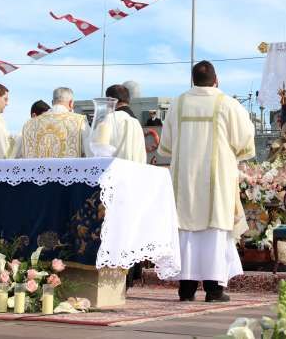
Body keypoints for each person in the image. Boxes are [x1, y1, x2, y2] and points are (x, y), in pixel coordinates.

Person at [158, 60, 256, 302]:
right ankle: (214, 290)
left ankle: (186, 288)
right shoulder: (228, 104)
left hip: (184, 179)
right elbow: (244, 143)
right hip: (217, 179)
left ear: (193, 81)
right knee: (214, 231)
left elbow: (167, 146)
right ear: (216, 80)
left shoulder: (178, 104)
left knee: (186, 232)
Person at [21, 87, 91, 158]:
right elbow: (91, 153)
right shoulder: (80, 121)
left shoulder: (29, 125)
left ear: (52, 103)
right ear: (71, 103)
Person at [103, 84, 146, 163]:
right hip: (135, 172)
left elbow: (99, 148)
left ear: (109, 100)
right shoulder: (136, 122)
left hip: (115, 171)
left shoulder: (111, 118)